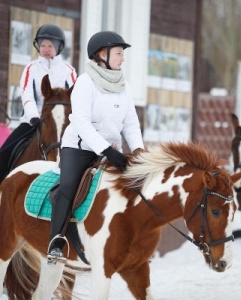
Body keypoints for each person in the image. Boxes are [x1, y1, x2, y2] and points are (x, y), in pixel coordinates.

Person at [47, 31, 145, 262]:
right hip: (79, 148)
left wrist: (139, 151)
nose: (122, 59)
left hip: (112, 149)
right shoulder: (85, 82)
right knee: (68, 187)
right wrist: (107, 150)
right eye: (119, 53)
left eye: (122, 54)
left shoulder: (124, 85)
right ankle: (55, 242)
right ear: (102, 54)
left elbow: (131, 123)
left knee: (135, 186)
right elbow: (81, 122)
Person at [0, 24, 77, 183]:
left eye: (50, 45)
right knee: (4, 152)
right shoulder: (31, 68)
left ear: (58, 47)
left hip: (62, 122)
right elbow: (27, 94)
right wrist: (34, 116)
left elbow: (75, 96)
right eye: (42, 45)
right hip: (33, 121)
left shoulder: (68, 70)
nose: (46, 49)